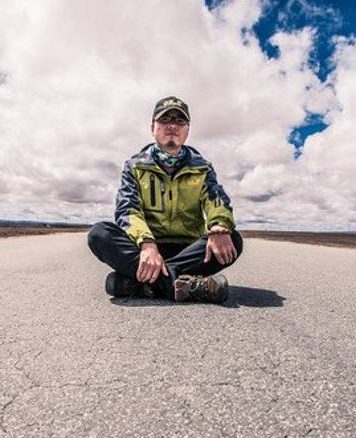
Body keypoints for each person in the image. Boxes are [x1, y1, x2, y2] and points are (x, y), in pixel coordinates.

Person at [88, 95, 243, 303]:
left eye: (180, 120)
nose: (172, 125)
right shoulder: (135, 166)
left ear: (187, 129)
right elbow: (127, 210)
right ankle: (186, 285)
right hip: (146, 250)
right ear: (153, 128)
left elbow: (216, 200)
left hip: (188, 251)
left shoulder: (202, 168)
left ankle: (141, 285)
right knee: (99, 234)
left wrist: (219, 226)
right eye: (165, 119)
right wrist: (147, 244)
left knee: (233, 239)